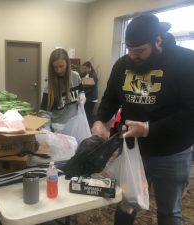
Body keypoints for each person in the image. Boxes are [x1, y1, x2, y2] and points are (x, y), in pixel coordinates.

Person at [92, 14, 194, 225]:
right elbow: (110, 98)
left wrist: (149, 129)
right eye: (130, 50)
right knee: (127, 203)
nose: (133, 56)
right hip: (132, 149)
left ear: (158, 41)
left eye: (140, 51)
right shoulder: (122, 65)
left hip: (171, 152)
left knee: (168, 211)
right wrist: (100, 120)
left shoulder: (186, 62)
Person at [38, 48, 85, 133]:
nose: (59, 70)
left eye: (61, 66)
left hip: (74, 125)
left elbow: (81, 90)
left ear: (67, 63)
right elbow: (44, 112)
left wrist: (82, 95)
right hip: (58, 128)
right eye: (55, 67)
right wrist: (47, 129)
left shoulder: (75, 76)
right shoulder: (49, 87)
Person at [80, 61, 98, 127]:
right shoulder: (86, 73)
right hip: (88, 97)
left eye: (85, 68)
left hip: (91, 98)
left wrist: (83, 92)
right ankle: (88, 126)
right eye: (83, 68)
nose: (84, 70)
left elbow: (91, 87)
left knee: (88, 113)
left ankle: (92, 127)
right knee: (86, 113)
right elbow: (80, 75)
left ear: (89, 67)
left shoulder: (93, 75)